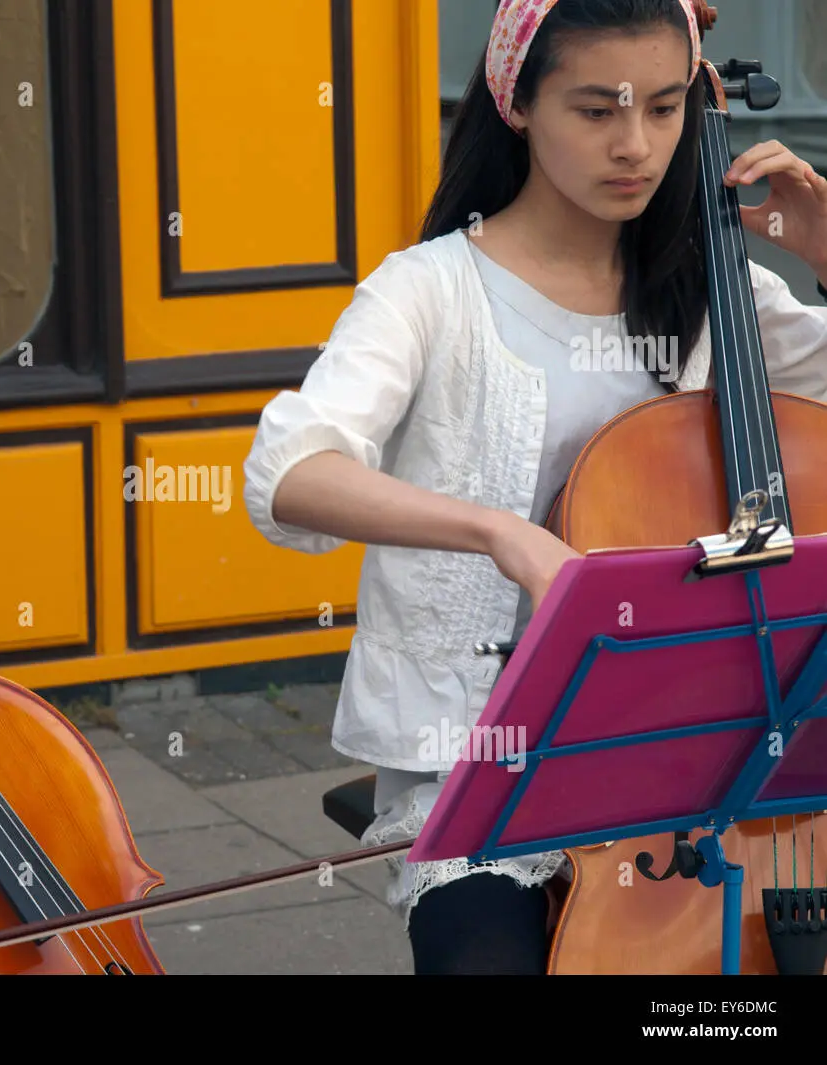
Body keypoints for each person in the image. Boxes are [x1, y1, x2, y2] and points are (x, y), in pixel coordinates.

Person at [242, 0, 827, 974]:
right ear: (518, 103)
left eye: (666, 108)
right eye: (596, 111)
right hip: (487, 756)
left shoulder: (712, 291)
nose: (635, 146)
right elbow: (291, 474)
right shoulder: (428, 291)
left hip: (700, 745)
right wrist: (497, 534)